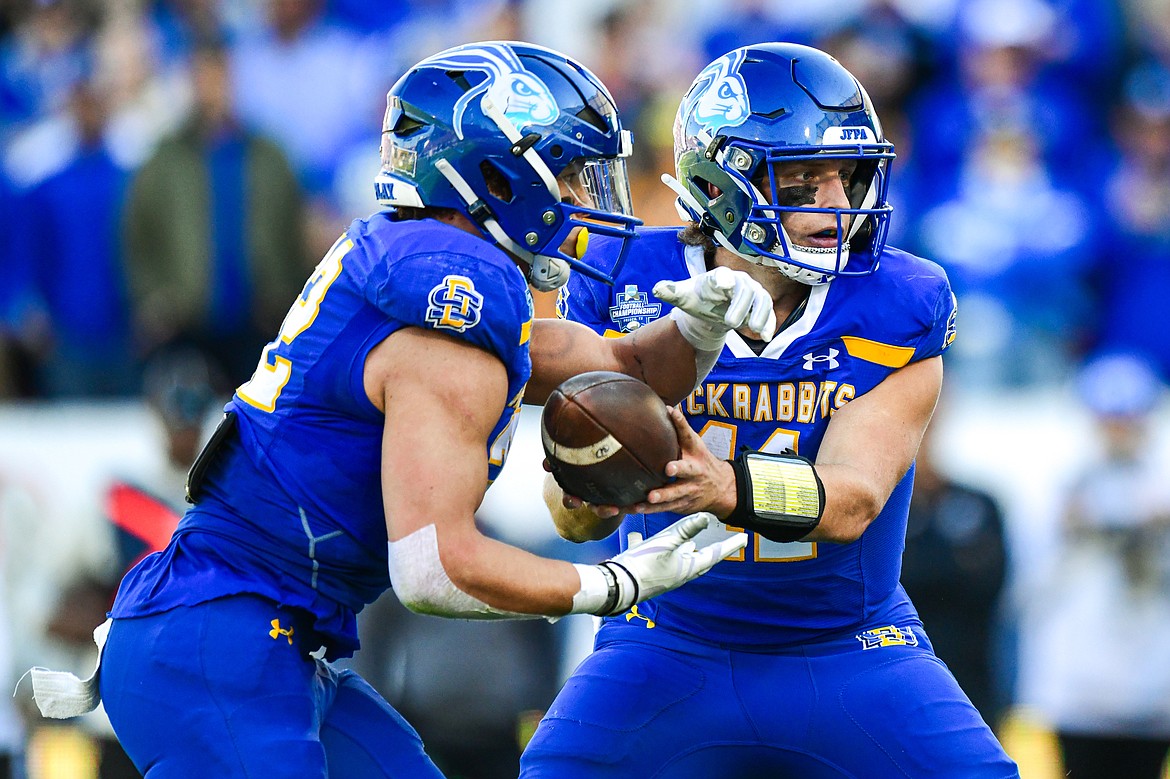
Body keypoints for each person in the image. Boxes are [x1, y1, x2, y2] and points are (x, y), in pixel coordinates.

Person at [28, 41, 775, 778]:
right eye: (573, 174)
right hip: (219, 640)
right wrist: (615, 583)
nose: (585, 200)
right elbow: (435, 568)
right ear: (499, 171)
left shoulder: (441, 275)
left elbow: (627, 367)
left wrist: (700, 326)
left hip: (271, 640)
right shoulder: (450, 300)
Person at [523, 43, 1019, 778]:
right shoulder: (628, 280)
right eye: (804, 178)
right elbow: (569, 517)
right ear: (722, 182)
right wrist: (596, 488)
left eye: (846, 177)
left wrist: (723, 485)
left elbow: (853, 498)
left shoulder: (899, 299)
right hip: (666, 638)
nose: (839, 206)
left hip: (849, 646)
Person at [1034, 352, 1170, 779]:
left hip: (1152, 691)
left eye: (1129, 419)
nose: (1119, 431)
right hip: (1079, 691)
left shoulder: (1160, 489)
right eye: (1110, 419)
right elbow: (1033, 587)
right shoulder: (1059, 488)